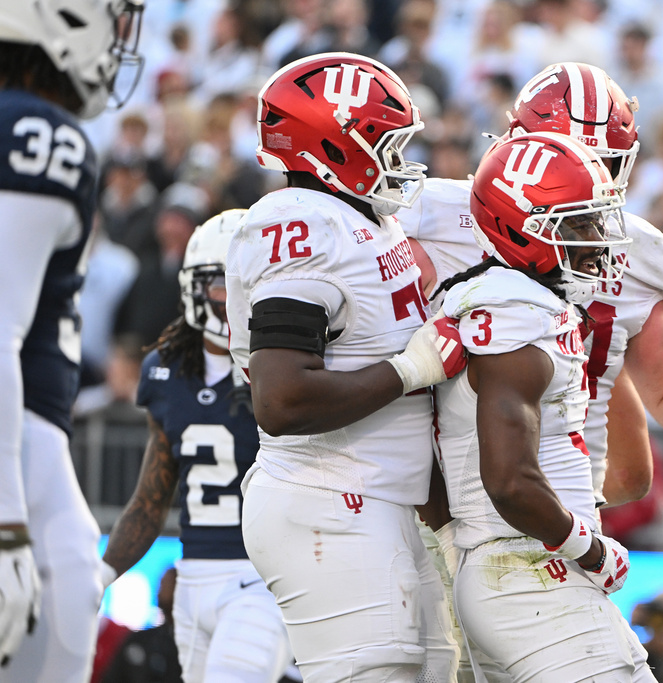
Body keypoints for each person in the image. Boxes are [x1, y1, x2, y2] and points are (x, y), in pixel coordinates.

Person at [398, 61, 663, 512]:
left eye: (601, 163)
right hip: (438, 498)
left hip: (563, 500)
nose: (587, 178)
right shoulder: (432, 218)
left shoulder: (634, 250)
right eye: (562, 156)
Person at [224, 52, 463, 683]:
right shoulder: (298, 220)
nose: (396, 160)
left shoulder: (360, 220)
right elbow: (281, 399)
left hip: (379, 499)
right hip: (329, 498)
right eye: (385, 144)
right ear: (334, 145)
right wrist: (410, 371)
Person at [432, 130, 653, 681]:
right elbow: (509, 480)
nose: (596, 237)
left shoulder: (500, 298)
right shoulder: (515, 312)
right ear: (522, 228)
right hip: (531, 569)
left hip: (509, 569)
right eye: (577, 223)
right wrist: (590, 550)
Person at [0, 2, 144, 679]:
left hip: (32, 438)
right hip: (19, 441)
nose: (119, 37)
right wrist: (6, 526)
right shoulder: (36, 132)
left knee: (76, 580)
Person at [100, 210, 292, 682]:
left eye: (243, 283)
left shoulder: (286, 365)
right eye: (221, 284)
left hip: (262, 577)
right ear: (194, 287)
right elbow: (151, 499)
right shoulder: (166, 371)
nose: (233, 299)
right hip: (192, 580)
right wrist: (98, 579)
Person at [102, 567, 183, 683]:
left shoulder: (194, 640)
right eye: (161, 584)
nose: (160, 590)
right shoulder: (140, 640)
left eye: (169, 583)